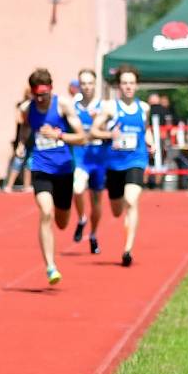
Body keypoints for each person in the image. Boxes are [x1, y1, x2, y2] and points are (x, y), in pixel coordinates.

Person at [14, 68, 86, 284]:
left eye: (44, 94)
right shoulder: (28, 108)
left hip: (64, 169)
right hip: (41, 168)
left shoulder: (63, 105)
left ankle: (67, 212)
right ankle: (51, 267)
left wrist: (59, 135)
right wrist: (20, 144)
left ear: (51, 90)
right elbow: (26, 128)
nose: (41, 99)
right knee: (45, 212)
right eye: (37, 95)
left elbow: (82, 137)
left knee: (62, 222)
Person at [90, 64, 153, 267]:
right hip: (114, 163)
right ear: (119, 85)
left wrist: (150, 141)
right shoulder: (110, 108)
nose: (128, 87)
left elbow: (145, 130)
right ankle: (125, 237)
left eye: (132, 83)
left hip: (136, 159)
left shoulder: (144, 108)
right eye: (125, 83)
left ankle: (127, 250)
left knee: (131, 200)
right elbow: (93, 131)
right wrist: (110, 135)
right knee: (117, 210)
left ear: (136, 85)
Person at [71, 69, 107, 253]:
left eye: (90, 83)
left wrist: (100, 124)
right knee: (77, 188)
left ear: (95, 84)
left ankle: (93, 234)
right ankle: (81, 219)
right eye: (83, 83)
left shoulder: (104, 107)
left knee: (97, 203)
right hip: (81, 156)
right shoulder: (73, 106)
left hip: (98, 158)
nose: (86, 87)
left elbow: (113, 129)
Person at [3, 88, 33, 193]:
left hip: (33, 138)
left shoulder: (36, 106)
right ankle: (9, 185)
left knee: (29, 162)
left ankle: (27, 185)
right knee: (18, 160)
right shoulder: (22, 105)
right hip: (22, 138)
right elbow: (19, 119)